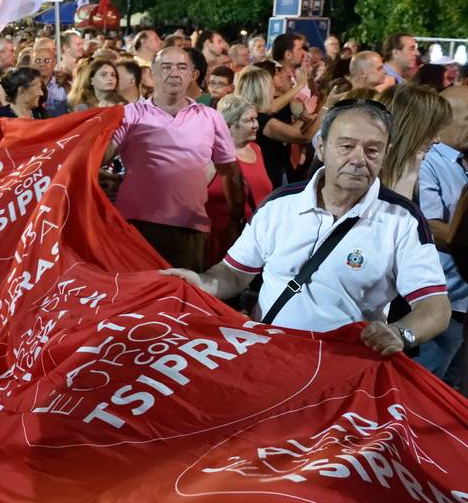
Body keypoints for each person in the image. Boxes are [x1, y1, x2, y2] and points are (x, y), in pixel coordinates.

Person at [162, 98, 450, 355]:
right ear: (322, 148)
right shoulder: (279, 205)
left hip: (342, 373)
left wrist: (401, 333)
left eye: (372, 150)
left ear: (385, 154)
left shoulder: (401, 219)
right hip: (267, 356)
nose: (358, 160)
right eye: (346, 146)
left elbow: (435, 306)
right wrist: (201, 283)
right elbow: (234, 274)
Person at [105, 47, 243, 271]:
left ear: (192, 74)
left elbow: (230, 171)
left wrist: (235, 217)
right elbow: (102, 155)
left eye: (181, 67)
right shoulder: (130, 114)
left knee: (182, 301)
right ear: (153, 73)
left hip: (190, 230)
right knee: (137, 300)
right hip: (137, 227)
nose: (174, 73)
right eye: (166, 67)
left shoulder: (211, 117)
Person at [416, 84, 468, 383]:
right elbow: (429, 224)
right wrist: (463, 242)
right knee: (427, 385)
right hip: (441, 299)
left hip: (462, 301)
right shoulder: (428, 163)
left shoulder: (463, 159)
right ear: (447, 120)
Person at [204, 93, 273, 264]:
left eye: (255, 119)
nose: (256, 125)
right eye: (249, 120)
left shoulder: (256, 149)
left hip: (253, 242)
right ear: (228, 126)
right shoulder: (210, 155)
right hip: (219, 242)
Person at [377, 81, 450, 201]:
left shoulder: (411, 167)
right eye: (432, 131)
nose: (437, 139)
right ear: (411, 129)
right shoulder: (366, 174)